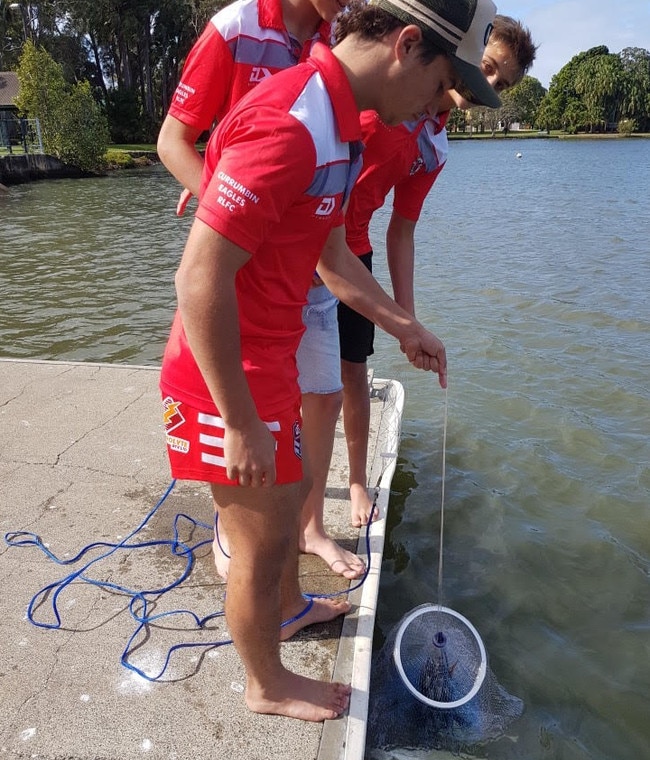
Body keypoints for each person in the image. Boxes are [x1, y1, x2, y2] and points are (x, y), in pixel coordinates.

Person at [159, 0, 500, 721]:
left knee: (287, 512)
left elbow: (332, 257)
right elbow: (198, 278)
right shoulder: (293, 123)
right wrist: (240, 419)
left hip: (271, 357)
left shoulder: (341, 126)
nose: (441, 105)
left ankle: (289, 607)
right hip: (228, 375)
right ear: (407, 45)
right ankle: (266, 683)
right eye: (442, 85)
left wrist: (405, 325)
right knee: (263, 537)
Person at [157, 0, 367, 582]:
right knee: (246, 410)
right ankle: (241, 530)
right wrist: (229, 212)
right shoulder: (235, 28)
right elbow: (173, 141)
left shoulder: (344, 36)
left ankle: (310, 528)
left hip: (314, 248)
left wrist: (404, 318)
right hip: (251, 256)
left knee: (320, 396)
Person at [335, 14, 537, 527]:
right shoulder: (389, 80)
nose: (488, 84)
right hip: (303, 230)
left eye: (503, 82)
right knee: (288, 371)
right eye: (487, 67)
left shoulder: (435, 145)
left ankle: (357, 480)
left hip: (350, 247)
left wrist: (410, 325)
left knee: (351, 371)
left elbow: (401, 230)